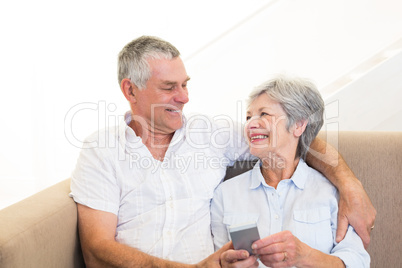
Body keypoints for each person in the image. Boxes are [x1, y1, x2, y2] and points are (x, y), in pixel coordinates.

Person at [70, 36, 375, 267]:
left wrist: (350, 185)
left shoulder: (210, 135)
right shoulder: (101, 151)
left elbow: (289, 137)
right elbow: (96, 247)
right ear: (130, 90)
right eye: (168, 87)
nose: (184, 98)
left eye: (185, 85)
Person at [211, 75, 370, 267]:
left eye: (264, 114)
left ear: (298, 125)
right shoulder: (225, 194)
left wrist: (306, 256)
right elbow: (217, 259)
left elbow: (358, 261)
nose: (251, 123)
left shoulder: (330, 192)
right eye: (248, 116)